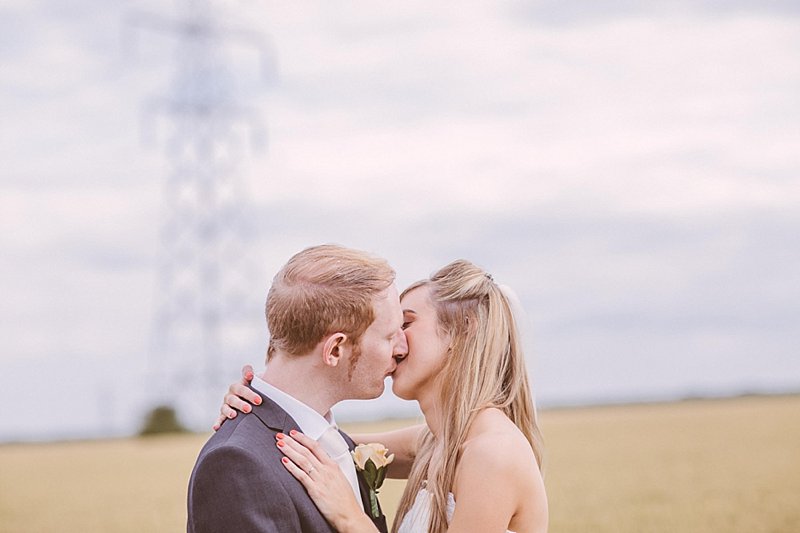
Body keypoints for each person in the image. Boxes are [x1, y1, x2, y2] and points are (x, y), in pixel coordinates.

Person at [220, 259, 548, 532]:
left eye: (406, 324)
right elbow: (330, 445)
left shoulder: (492, 453)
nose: (394, 343)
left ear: (464, 329)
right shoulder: (438, 442)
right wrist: (262, 406)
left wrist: (352, 519)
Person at [187, 244, 409, 533]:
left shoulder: (334, 444)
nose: (402, 348)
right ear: (335, 349)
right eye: (390, 336)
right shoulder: (238, 465)